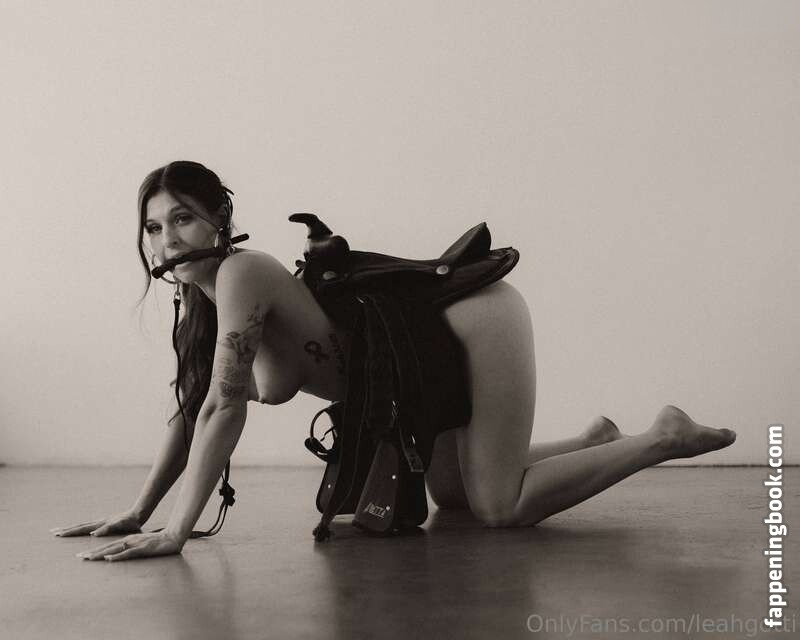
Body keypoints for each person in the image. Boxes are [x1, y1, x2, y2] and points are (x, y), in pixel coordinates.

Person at [51, 161, 737, 562]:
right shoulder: (200, 309)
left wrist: (176, 531)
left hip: (472, 321)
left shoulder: (240, 274)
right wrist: (139, 511)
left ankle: (660, 437)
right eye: (153, 226)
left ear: (219, 221)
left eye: (182, 219)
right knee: (453, 497)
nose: (166, 240)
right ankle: (594, 442)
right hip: (419, 374)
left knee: (498, 506)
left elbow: (223, 406)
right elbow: (188, 410)